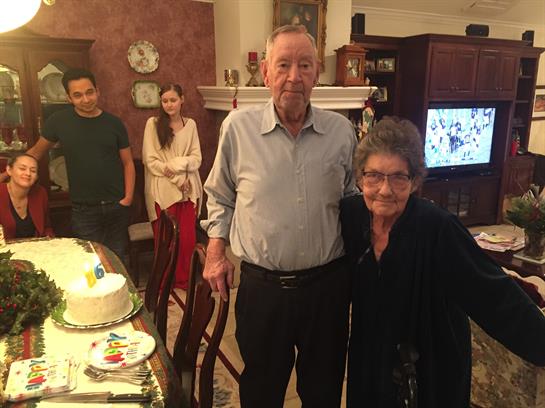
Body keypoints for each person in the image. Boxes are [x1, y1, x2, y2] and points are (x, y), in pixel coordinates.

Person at [201, 25, 358, 407]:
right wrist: (216, 253)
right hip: (263, 292)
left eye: (305, 65)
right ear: (266, 72)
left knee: (323, 392)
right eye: (283, 64)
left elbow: (354, 198)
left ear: (316, 73)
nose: (294, 76)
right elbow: (220, 196)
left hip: (327, 289)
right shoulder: (237, 129)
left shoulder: (341, 131)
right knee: (262, 392)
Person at [340, 116, 545, 408]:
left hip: (431, 364)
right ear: (360, 179)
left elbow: (492, 294)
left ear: (415, 182)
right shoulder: (351, 217)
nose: (384, 189)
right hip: (371, 360)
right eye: (374, 176)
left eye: (398, 177)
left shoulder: (438, 227)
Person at [0, 68, 135, 260]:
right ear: (69, 98)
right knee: (88, 261)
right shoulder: (59, 121)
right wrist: (5, 175)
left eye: (89, 92)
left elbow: (128, 163)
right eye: (78, 95)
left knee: (118, 259)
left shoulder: (114, 123)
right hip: (84, 210)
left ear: (97, 91)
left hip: (116, 206)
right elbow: (36, 153)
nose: (86, 99)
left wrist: (127, 198)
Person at [142, 83, 203, 290]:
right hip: (163, 191)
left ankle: (184, 282)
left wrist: (177, 164)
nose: (169, 104)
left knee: (187, 240)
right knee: (166, 241)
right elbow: (151, 161)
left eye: (173, 100)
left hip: (188, 191)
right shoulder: (153, 124)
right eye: (165, 101)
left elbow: (196, 158)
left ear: (182, 100)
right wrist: (178, 179)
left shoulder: (191, 125)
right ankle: (164, 285)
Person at [0, 153, 53, 239]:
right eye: (22, 168)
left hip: (37, 246)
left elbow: (47, 227)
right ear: (9, 170)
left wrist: (50, 240)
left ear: (36, 176)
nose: (28, 173)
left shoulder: (40, 193)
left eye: (33, 171)